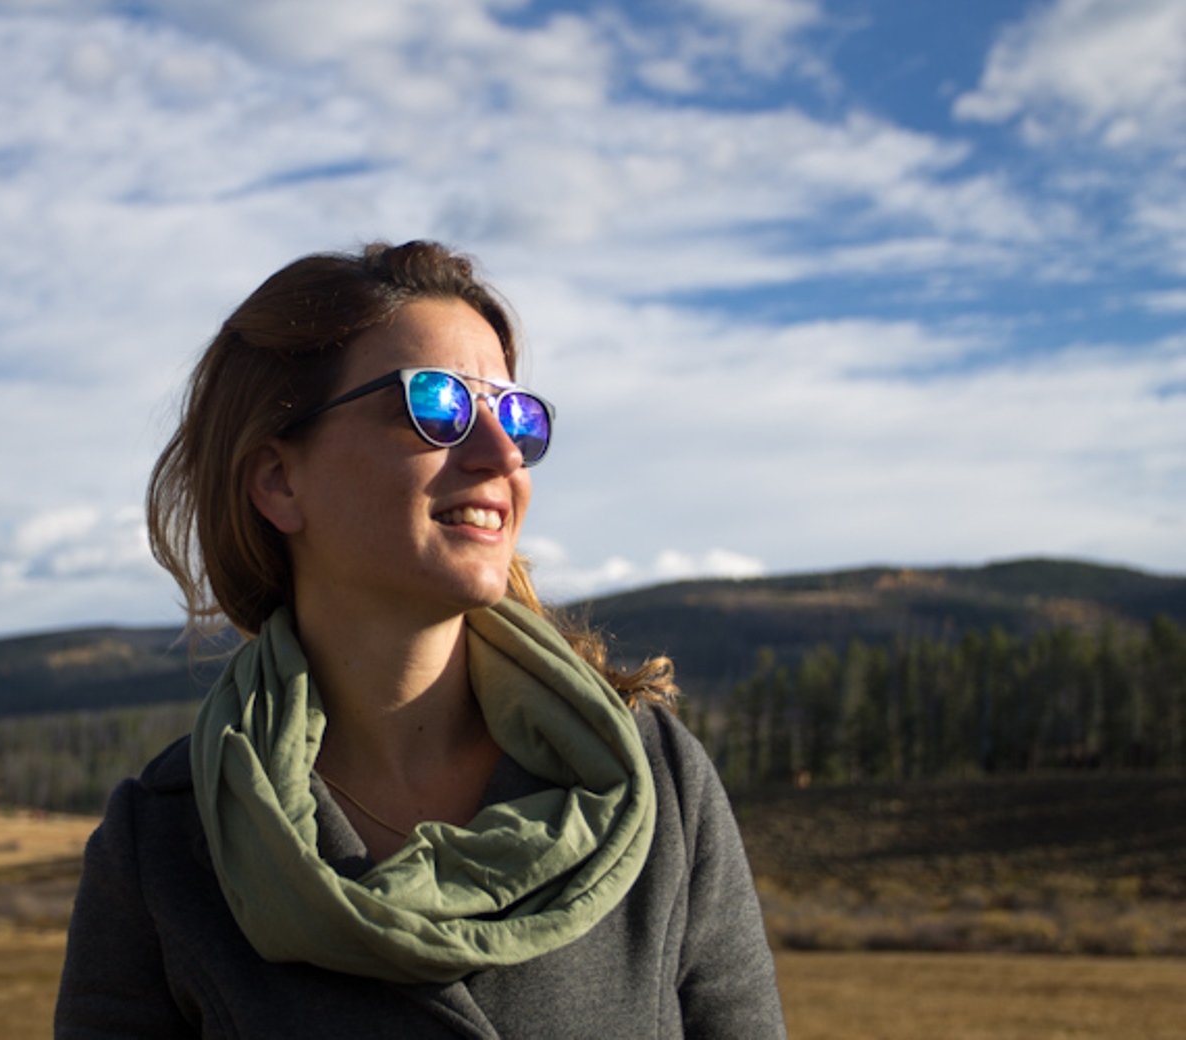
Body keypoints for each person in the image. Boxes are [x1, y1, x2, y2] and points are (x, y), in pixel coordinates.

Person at [55, 241, 786, 1039]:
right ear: (278, 479)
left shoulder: (652, 785)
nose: (501, 453)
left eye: (516, 416)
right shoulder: (166, 847)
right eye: (435, 405)